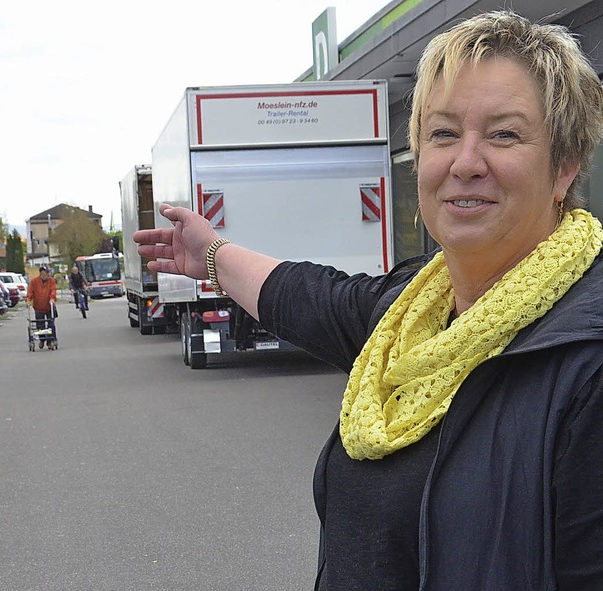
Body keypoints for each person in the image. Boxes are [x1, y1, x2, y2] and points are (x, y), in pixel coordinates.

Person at [134, 11, 603, 590]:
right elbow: (313, 297)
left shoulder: (587, 362)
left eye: (504, 134)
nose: (465, 163)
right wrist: (210, 254)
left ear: (563, 168)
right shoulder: (414, 311)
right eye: (443, 133)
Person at [26, 265, 57, 349]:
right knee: (40, 325)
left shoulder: (51, 281)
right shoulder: (34, 281)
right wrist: (28, 299)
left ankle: (50, 341)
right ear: (41, 273)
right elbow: (30, 292)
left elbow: (53, 291)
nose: (47, 275)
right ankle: (42, 340)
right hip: (38, 306)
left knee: (50, 323)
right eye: (45, 273)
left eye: (47, 273)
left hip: (49, 306)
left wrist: (52, 299)